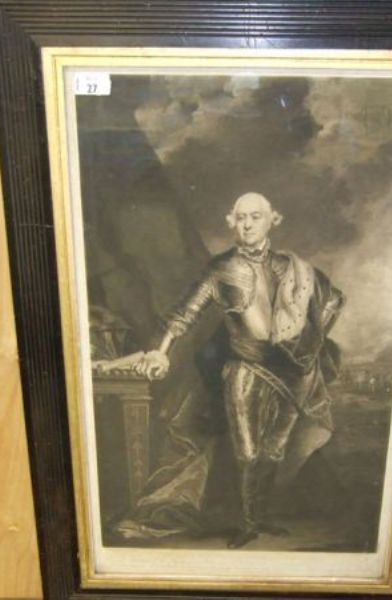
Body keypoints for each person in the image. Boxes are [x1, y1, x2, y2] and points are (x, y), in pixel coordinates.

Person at [136, 192, 344, 548]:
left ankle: (261, 517)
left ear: (272, 220)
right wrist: (160, 351)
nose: (247, 225)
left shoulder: (295, 267)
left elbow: (333, 300)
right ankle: (247, 523)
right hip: (245, 368)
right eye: (241, 217)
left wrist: (311, 340)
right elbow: (185, 313)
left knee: (275, 449)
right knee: (246, 451)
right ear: (232, 221)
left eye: (255, 217)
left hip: (295, 373)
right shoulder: (221, 269)